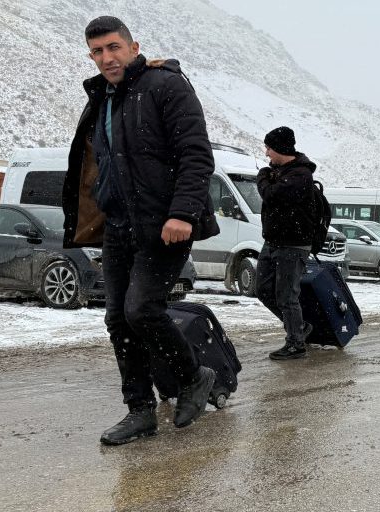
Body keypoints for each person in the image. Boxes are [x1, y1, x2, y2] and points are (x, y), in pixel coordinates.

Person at [62, 16, 220, 445]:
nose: (107, 58)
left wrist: (183, 213)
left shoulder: (166, 86)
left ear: (134, 47)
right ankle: (140, 411)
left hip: (165, 224)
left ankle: (195, 376)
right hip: (120, 225)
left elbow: (195, 154)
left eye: (114, 47)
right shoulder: (103, 97)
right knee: (117, 318)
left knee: (141, 310)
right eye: (97, 51)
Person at [256, 127, 320, 360]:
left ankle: (296, 344)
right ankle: (299, 328)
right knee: (262, 290)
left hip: (293, 245)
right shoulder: (280, 172)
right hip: (272, 241)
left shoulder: (300, 175)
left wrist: (262, 178)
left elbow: (271, 195)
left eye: (269, 148)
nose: (266, 153)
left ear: (281, 148)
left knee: (286, 295)